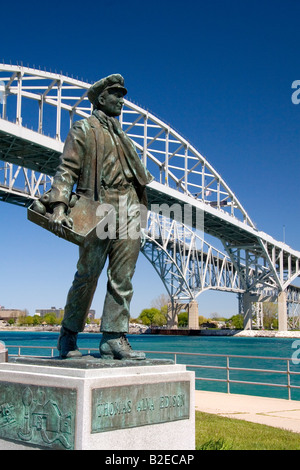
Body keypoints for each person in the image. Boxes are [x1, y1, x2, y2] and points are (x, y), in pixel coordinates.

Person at [48, 74, 153, 359]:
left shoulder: (123, 137)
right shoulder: (83, 129)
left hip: (130, 206)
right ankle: (68, 336)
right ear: (101, 98)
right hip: (99, 207)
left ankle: (113, 338)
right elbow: (66, 169)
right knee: (88, 275)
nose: (122, 100)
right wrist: (59, 205)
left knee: (123, 278)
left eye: (123, 95)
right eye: (117, 95)